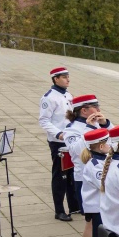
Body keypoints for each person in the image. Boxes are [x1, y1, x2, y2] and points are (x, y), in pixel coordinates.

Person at [63, 94, 111, 237]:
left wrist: (105, 124)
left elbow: (113, 141)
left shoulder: (99, 123)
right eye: (95, 106)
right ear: (84, 110)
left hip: (102, 173)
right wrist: (90, 129)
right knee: (91, 223)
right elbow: (77, 151)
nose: (98, 109)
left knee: (103, 221)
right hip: (85, 178)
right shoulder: (72, 129)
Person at [79, 128, 116, 237]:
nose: (111, 145)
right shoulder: (94, 165)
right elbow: (105, 184)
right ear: (101, 146)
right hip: (98, 209)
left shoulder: (100, 161)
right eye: (108, 142)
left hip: (100, 208)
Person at [39, 66, 78, 221]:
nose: (67, 79)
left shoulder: (68, 95)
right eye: (64, 77)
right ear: (55, 79)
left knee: (72, 175)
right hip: (58, 142)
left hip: (71, 140)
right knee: (60, 176)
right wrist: (58, 133)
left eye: (68, 76)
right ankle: (59, 210)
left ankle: (74, 206)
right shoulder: (48, 97)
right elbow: (44, 120)